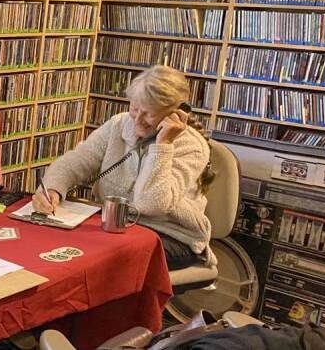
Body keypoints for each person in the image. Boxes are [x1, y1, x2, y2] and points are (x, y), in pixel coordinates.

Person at [32, 65, 216, 267]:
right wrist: (52, 190)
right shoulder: (119, 124)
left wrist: (163, 146)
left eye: (149, 114)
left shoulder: (191, 146)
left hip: (169, 235)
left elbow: (150, 204)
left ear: (176, 114)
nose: (138, 120)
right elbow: (76, 161)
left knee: (102, 260)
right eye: (135, 109)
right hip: (114, 225)